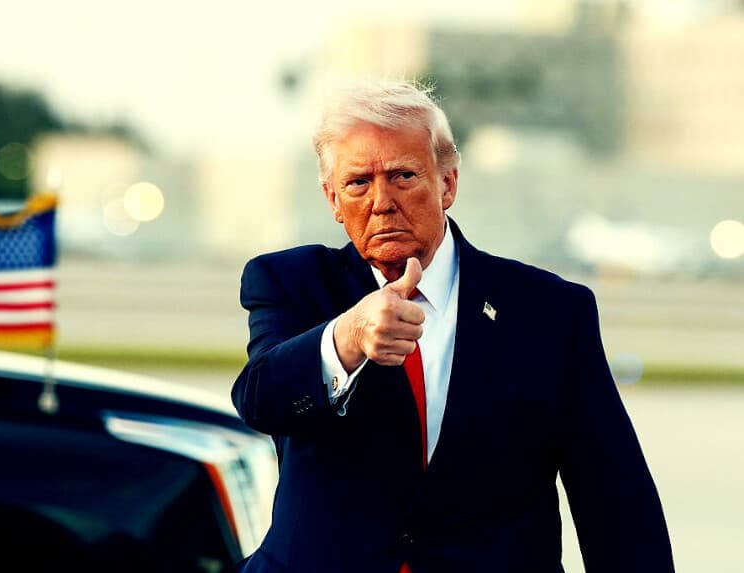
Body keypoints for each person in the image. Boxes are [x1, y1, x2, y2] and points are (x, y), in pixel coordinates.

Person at [231, 80, 674, 573]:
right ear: (333, 199)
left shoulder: (550, 312)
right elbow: (261, 399)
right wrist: (348, 338)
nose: (381, 201)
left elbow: (615, 501)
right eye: (359, 183)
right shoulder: (289, 283)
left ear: (447, 184)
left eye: (403, 175)